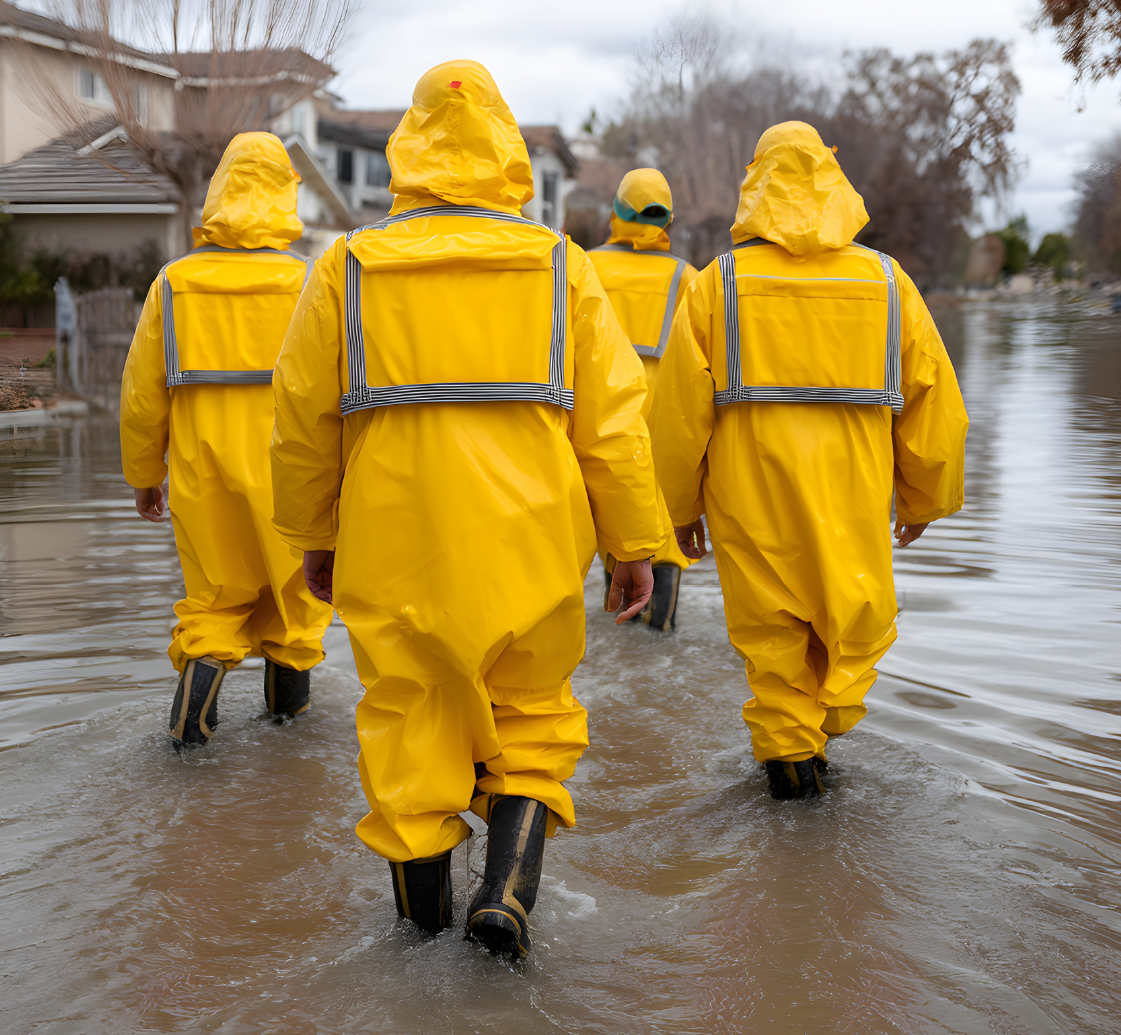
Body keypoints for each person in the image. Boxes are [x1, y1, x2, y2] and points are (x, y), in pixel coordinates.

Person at [269, 60, 665, 956]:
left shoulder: (346, 265)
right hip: (533, 541)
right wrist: (633, 543)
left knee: (410, 724)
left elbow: (300, 420)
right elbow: (614, 427)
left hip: (394, 541)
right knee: (532, 716)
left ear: (409, 144)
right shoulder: (559, 264)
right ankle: (507, 899)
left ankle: (418, 944)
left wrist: (315, 537)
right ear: (506, 148)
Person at [650, 122, 968, 800]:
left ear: (753, 182)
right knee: (849, 628)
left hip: (750, 500)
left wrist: (676, 513)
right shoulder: (888, 283)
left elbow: (676, 419)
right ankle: (808, 766)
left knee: (773, 643)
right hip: (853, 499)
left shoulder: (716, 287)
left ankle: (790, 770)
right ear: (833, 177)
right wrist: (922, 500)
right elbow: (935, 408)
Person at [121, 132, 333, 748]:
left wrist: (143, 475)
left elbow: (141, 393)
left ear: (219, 191)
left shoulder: (174, 283)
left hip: (201, 474)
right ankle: (288, 740)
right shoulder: (311, 282)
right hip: (291, 475)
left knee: (214, 604)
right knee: (297, 606)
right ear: (286, 195)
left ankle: (189, 736)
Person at [586, 169, 699, 631]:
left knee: (609, 498)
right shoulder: (686, 276)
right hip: (664, 401)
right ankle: (660, 629)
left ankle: (620, 613)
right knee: (662, 508)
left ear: (616, 211)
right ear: (668, 219)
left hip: (599, 397)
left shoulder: (582, 264)